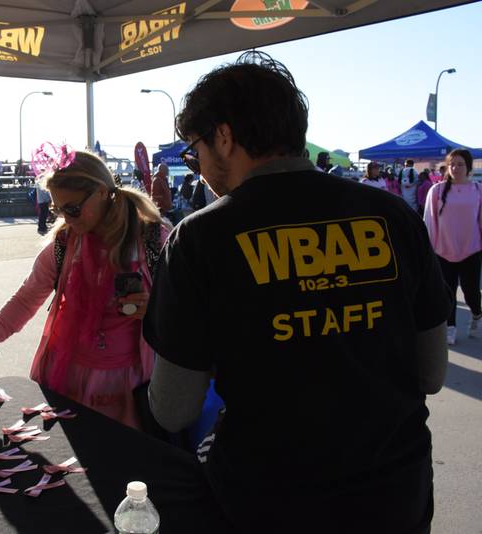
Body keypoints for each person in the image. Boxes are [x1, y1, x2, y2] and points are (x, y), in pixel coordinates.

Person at [143, 51, 449, 533]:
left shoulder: (202, 237)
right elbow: (431, 373)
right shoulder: (391, 217)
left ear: (224, 136)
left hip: (268, 499)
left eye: (195, 149)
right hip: (394, 490)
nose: (197, 164)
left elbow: (173, 407)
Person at [0, 148, 170, 429]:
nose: (66, 219)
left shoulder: (155, 239)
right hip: (66, 377)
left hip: (127, 386)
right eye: (58, 209)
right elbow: (26, 299)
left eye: (72, 209)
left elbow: (194, 313)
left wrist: (156, 310)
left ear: (101, 192)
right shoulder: (65, 243)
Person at [423, 148, 482, 346]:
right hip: (443, 251)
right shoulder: (437, 190)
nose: (455, 168)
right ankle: (451, 327)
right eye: (452, 164)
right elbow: (430, 221)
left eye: (460, 164)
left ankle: (476, 314)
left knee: (471, 292)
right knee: (447, 292)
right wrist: (430, 249)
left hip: (471, 250)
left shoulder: (478, 190)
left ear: (468, 167)